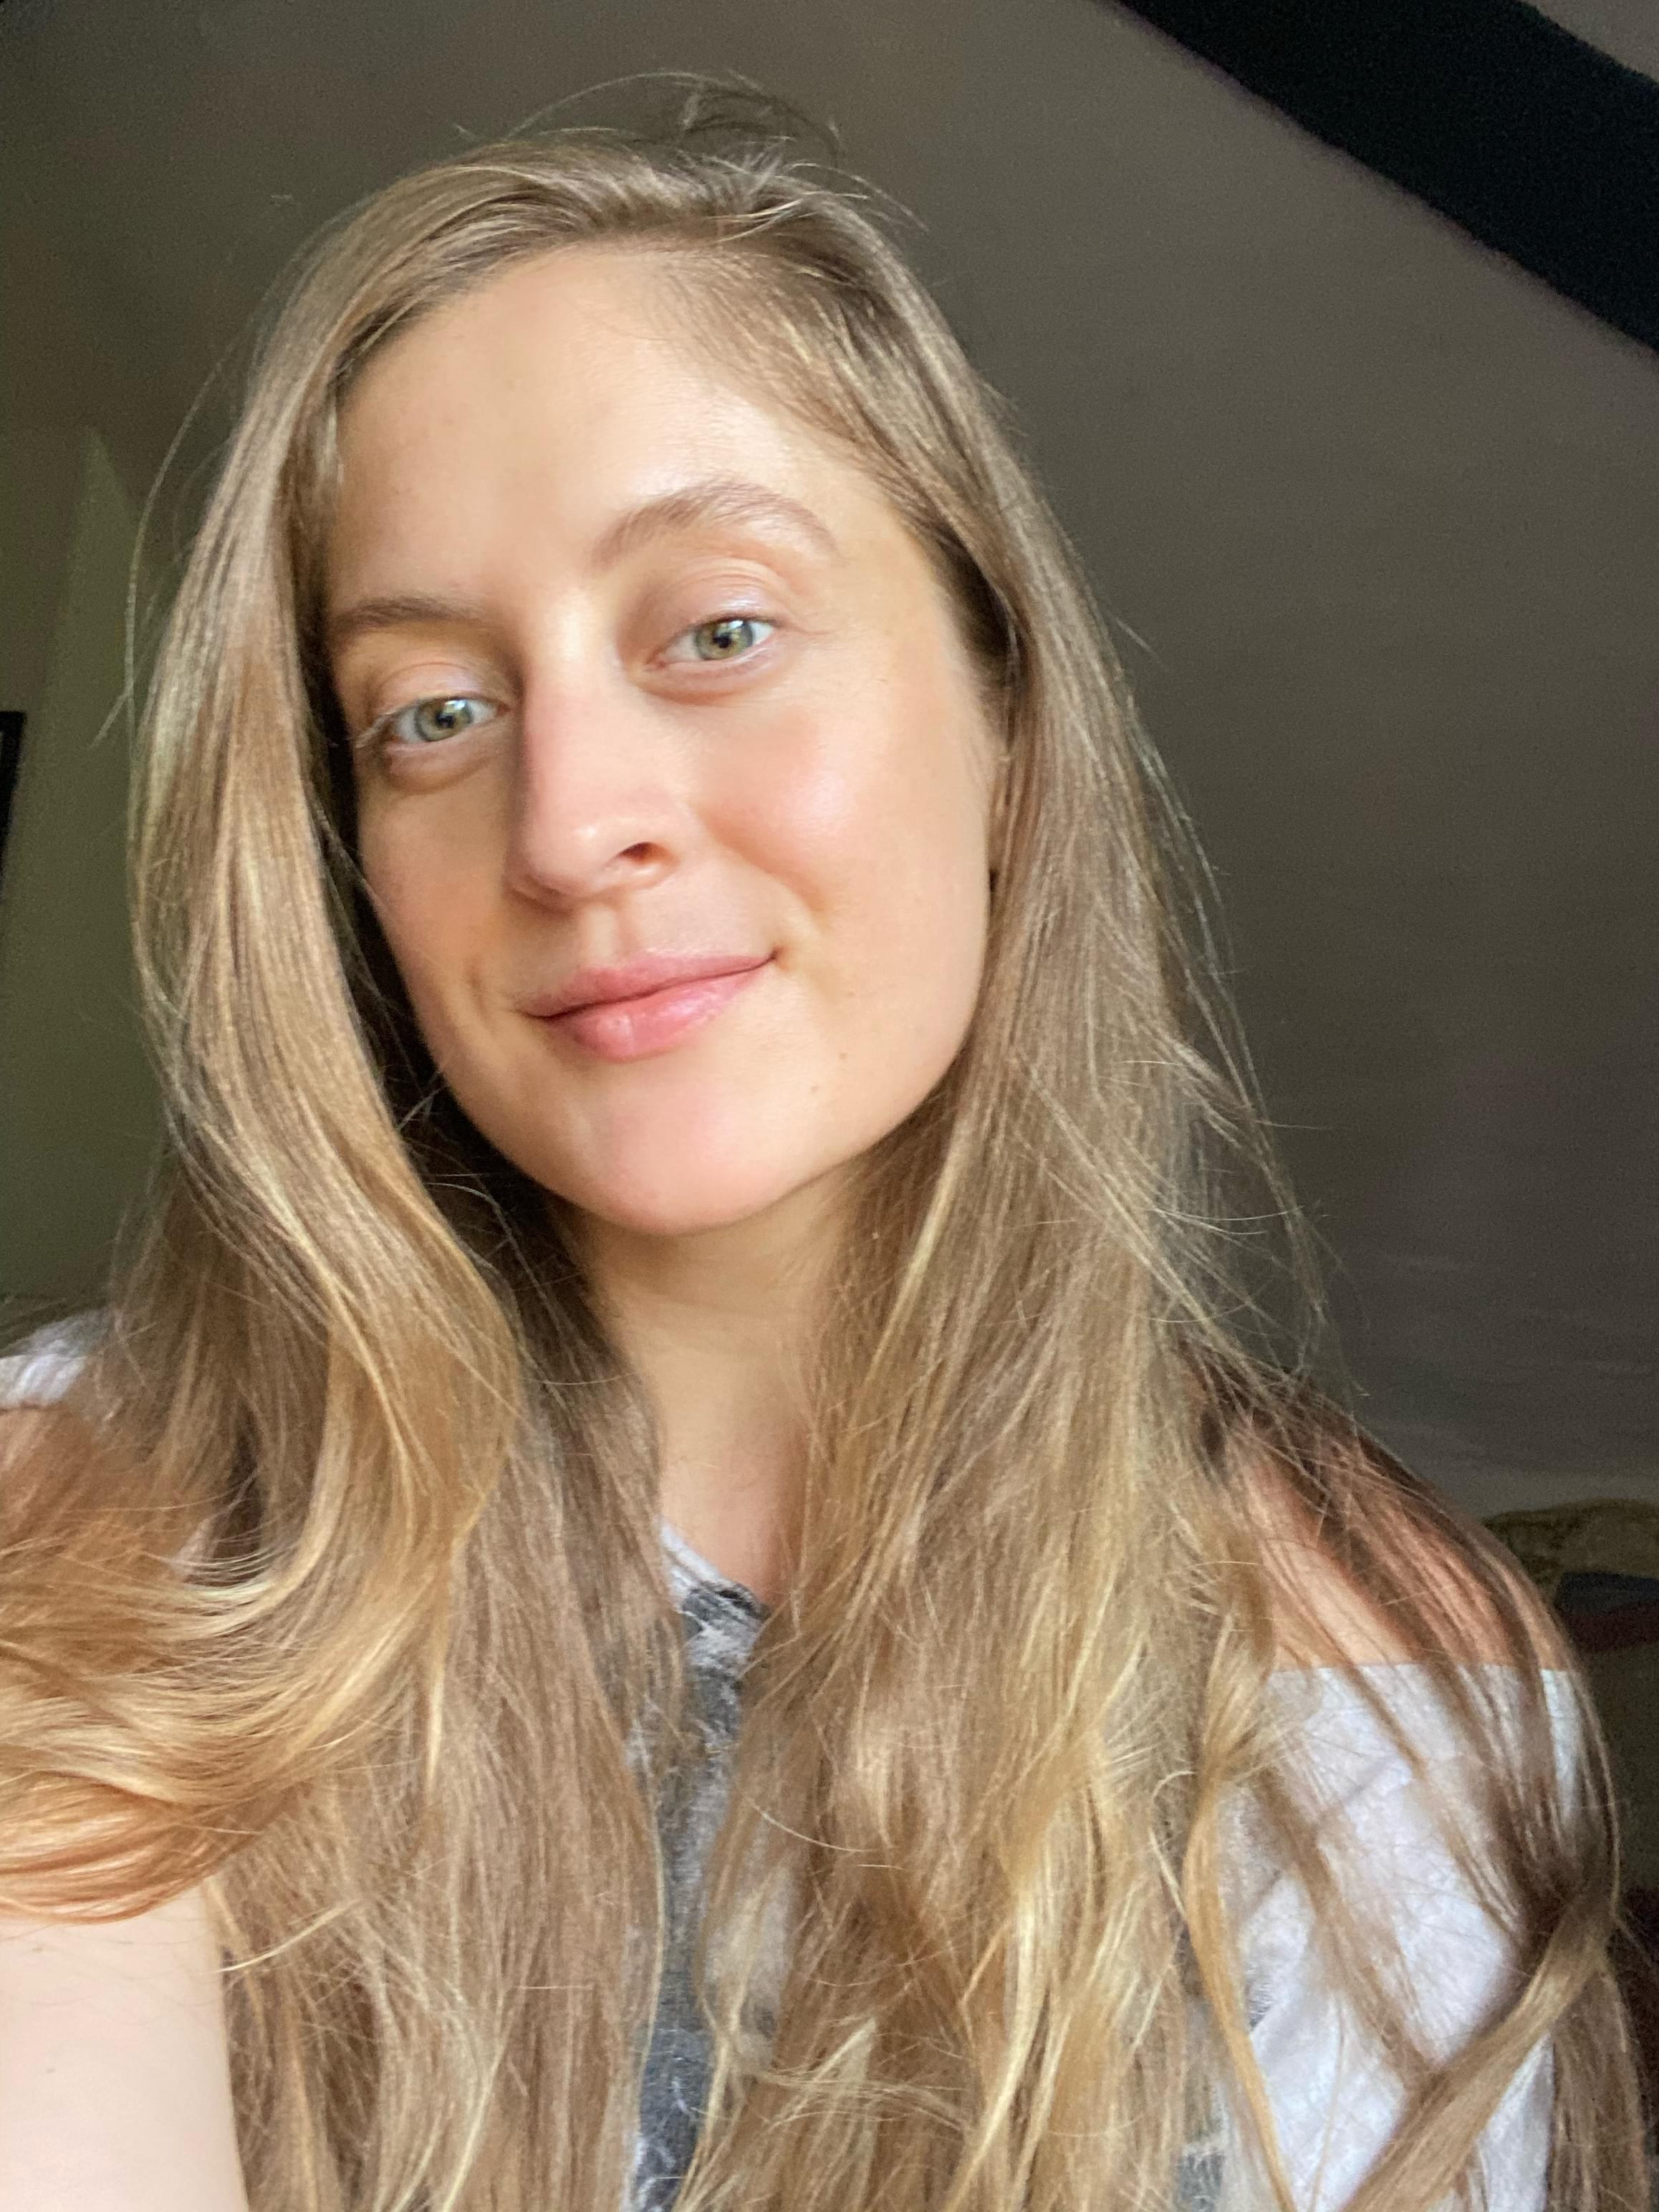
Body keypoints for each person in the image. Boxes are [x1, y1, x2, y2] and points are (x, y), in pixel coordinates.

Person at [0, 82, 1645, 2212]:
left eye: (718, 630)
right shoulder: (95, 1527)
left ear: (1007, 732)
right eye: (433, 713)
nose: (568, 824)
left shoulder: (1376, 1660)